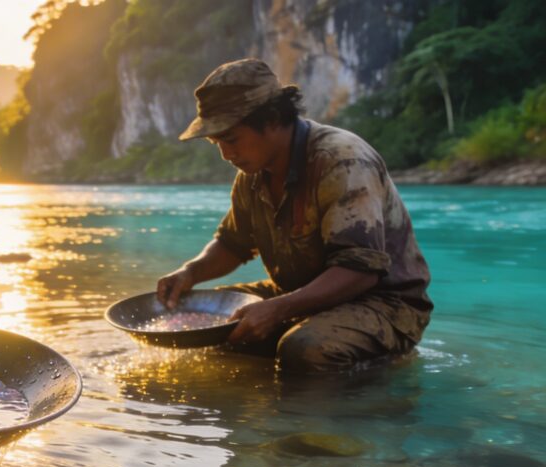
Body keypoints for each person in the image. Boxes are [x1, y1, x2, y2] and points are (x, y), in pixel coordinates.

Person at [156, 58, 432, 373]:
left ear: (272, 119)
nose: (225, 154)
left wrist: (277, 310)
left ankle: (334, 412)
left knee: (304, 350)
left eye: (231, 139)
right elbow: (233, 244)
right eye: (216, 142)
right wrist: (189, 273)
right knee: (202, 319)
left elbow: (360, 271)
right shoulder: (252, 173)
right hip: (299, 293)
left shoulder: (341, 161)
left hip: (382, 303)